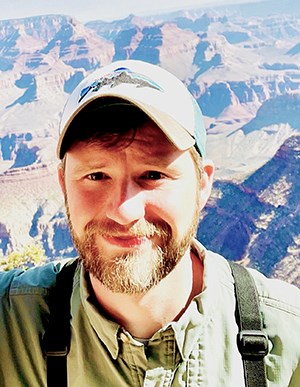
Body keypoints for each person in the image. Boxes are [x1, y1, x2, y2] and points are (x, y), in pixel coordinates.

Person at [0, 60, 299, 387]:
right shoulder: (11, 326)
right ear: (63, 184)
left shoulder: (289, 338)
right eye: (96, 175)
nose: (124, 211)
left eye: (153, 175)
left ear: (203, 185)